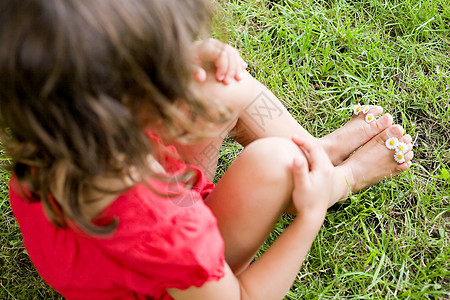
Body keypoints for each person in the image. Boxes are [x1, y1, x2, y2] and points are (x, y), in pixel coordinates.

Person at [0, 0, 413, 299]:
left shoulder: (46, 128)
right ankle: (335, 182)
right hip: (165, 280)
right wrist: (310, 216)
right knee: (276, 161)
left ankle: (316, 152)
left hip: (129, 204)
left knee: (220, 86)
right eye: (164, 61)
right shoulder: (167, 233)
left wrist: (181, 64)